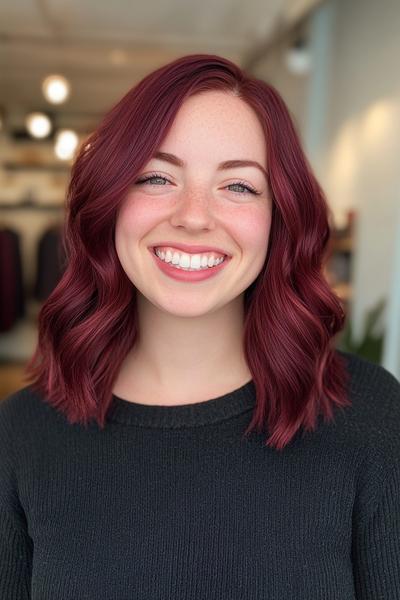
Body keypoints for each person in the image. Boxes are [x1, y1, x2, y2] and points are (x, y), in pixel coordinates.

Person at [0, 54, 399, 599]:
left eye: (238, 186)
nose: (193, 215)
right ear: (110, 202)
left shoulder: (371, 416)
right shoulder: (20, 436)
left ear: (279, 219)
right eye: (157, 177)